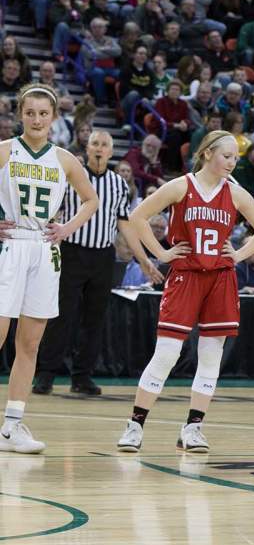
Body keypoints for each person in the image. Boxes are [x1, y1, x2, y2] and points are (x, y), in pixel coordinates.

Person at [117, 130, 254, 452]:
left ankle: (193, 428)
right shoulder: (181, 186)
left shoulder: (236, 193)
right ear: (206, 154)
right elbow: (138, 217)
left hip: (221, 278)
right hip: (186, 275)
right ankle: (135, 424)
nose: (232, 162)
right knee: (168, 353)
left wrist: (239, 254)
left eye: (235, 158)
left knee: (211, 356)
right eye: (227, 156)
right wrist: (160, 254)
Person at [0, 84, 99, 453]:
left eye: (44, 113)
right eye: (30, 113)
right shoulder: (5, 151)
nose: (37, 119)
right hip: (9, 247)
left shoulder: (65, 159)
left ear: (54, 117)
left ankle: (12, 426)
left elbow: (91, 200)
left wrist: (67, 228)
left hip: (44, 249)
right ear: (20, 115)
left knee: (30, 343)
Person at [33, 131, 162, 396]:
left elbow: (124, 224)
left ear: (111, 151)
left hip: (103, 256)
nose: (100, 148)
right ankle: (45, 375)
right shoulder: (72, 177)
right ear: (87, 148)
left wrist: (144, 260)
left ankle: (82, 377)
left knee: (94, 319)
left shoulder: (118, 184)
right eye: (95, 144)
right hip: (71, 253)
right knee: (61, 316)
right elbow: (54, 213)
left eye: (105, 144)